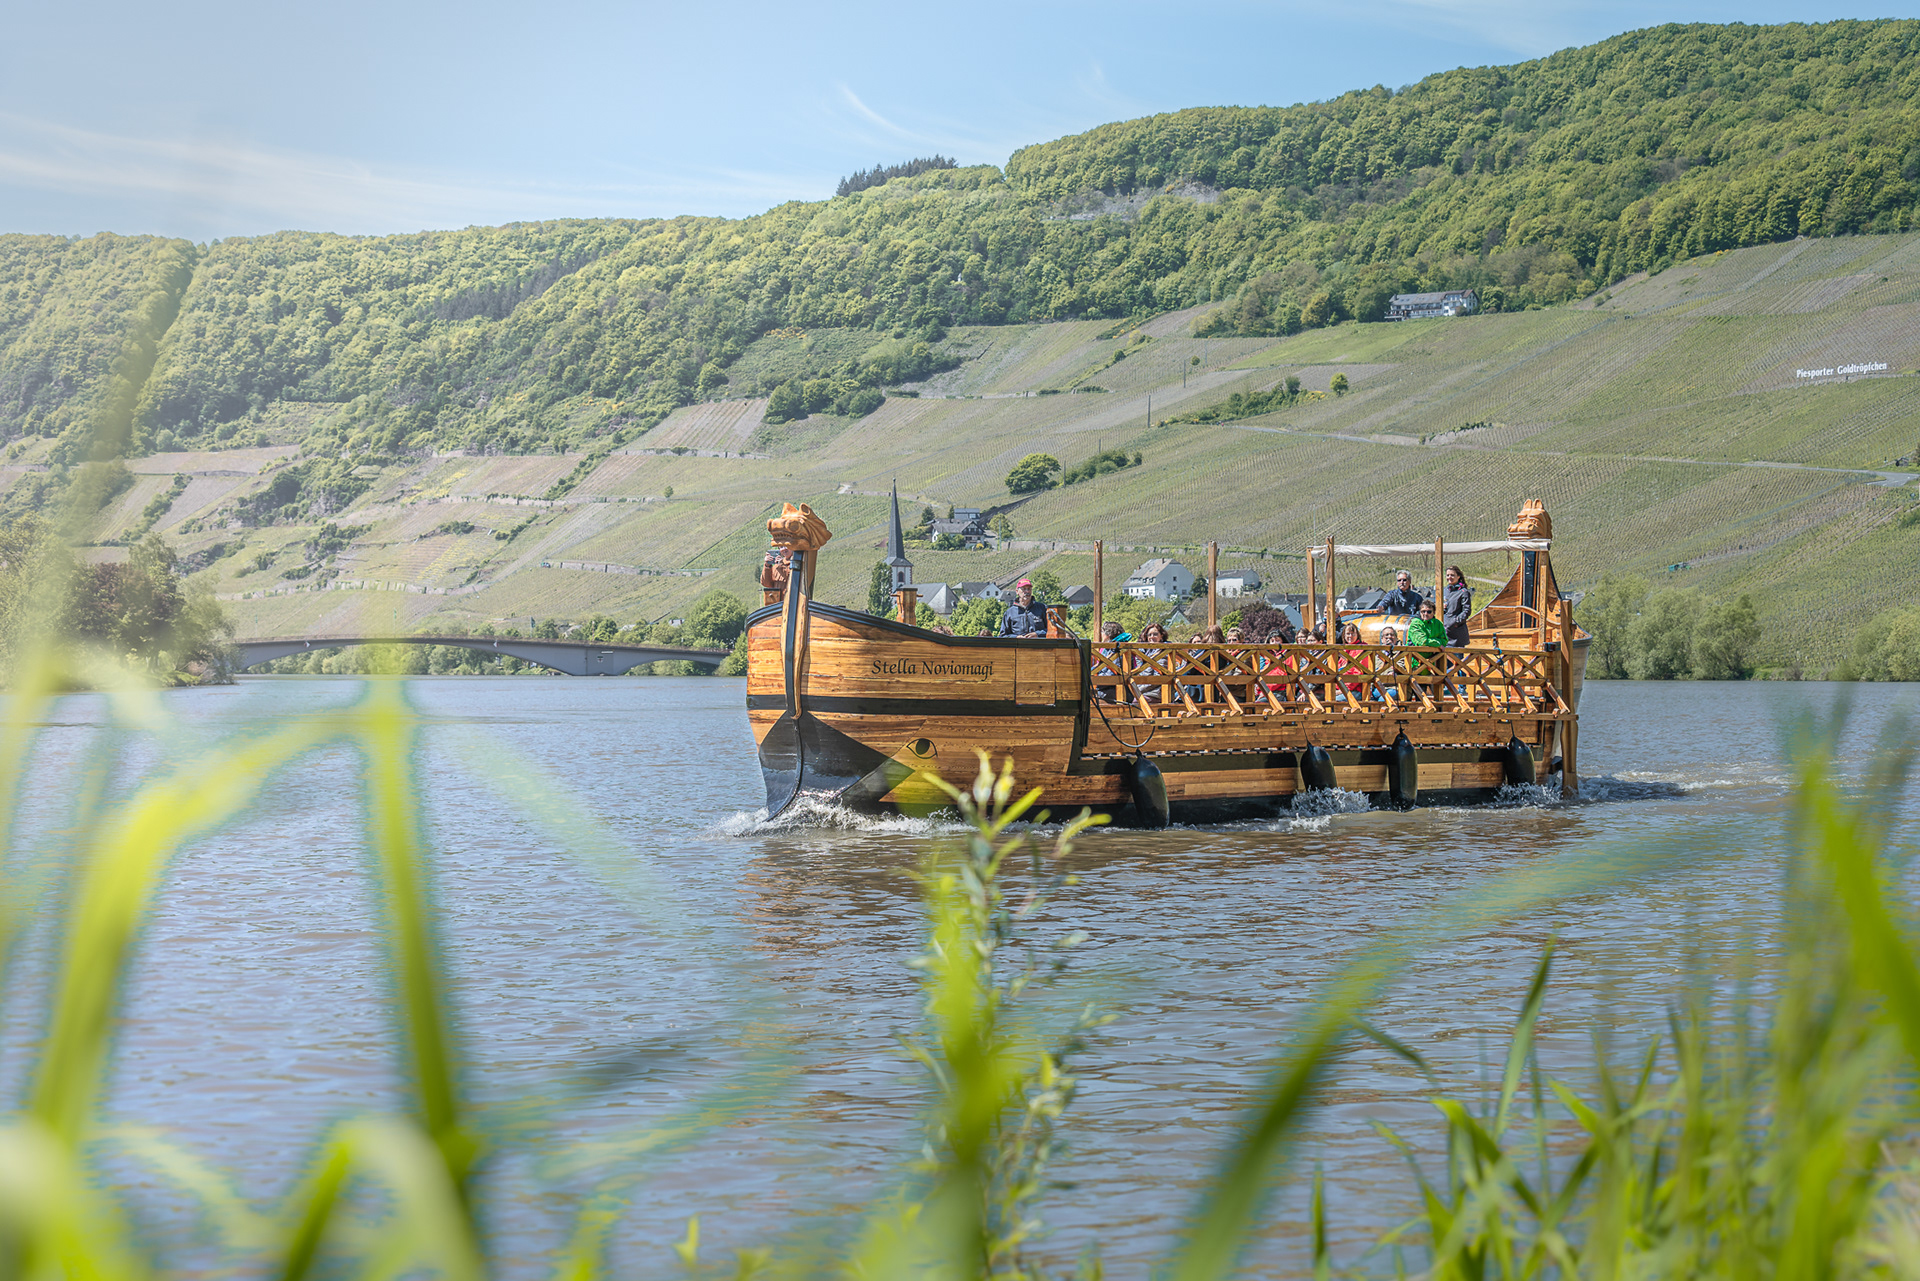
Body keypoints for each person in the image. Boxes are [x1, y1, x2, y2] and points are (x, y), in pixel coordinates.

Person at [1443, 565, 1473, 647]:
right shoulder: (1444, 591)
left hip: (1456, 635)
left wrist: (1454, 622)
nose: (1449, 577)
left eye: (1452, 575)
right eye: (1448, 575)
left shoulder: (1463, 592)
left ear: (1458, 576)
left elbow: (1467, 611)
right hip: (1444, 634)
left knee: (1457, 659)